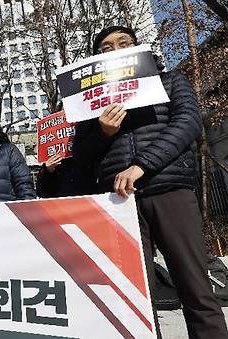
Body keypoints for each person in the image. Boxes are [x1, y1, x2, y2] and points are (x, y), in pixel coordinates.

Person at [73, 25, 228, 338]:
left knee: (196, 289)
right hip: (120, 202)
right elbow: (80, 154)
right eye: (105, 48)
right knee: (134, 298)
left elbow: (188, 124)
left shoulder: (170, 81)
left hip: (170, 191)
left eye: (124, 43)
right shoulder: (91, 107)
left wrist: (143, 165)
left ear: (137, 50)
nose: (115, 50)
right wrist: (103, 132)